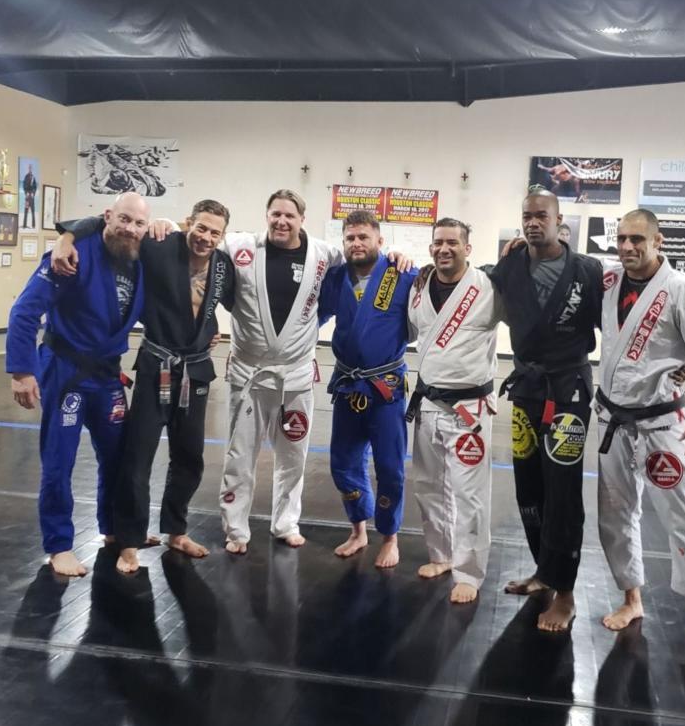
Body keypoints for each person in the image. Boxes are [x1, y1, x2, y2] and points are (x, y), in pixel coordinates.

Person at [52, 199, 237, 574]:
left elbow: (215, 306)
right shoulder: (160, 244)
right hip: (157, 367)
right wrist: (66, 238)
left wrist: (210, 329)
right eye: (201, 228)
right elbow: (113, 225)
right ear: (188, 222)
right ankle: (129, 541)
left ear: (223, 236)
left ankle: (176, 531)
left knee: (190, 457)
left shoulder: (223, 265)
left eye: (214, 232)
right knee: (137, 457)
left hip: (196, 370)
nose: (205, 237)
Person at [595, 209, 685, 658]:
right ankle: (632, 598)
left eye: (637, 239)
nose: (627, 247)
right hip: (613, 418)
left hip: (662, 422)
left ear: (658, 241)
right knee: (615, 514)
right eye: (622, 239)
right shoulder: (608, 282)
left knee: (683, 515)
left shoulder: (681, 290)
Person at [5, 192, 148, 577]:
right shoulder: (71, 255)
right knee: (59, 460)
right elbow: (24, 312)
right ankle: (59, 545)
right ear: (107, 216)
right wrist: (22, 371)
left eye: (139, 223)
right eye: (124, 219)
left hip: (107, 375)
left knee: (117, 457)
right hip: (65, 371)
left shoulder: (139, 258)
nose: (131, 229)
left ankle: (113, 528)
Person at [489, 187, 603, 632]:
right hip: (527, 388)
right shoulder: (510, 265)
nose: (533, 222)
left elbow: (617, 325)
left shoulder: (587, 271)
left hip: (568, 389)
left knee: (563, 491)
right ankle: (543, 572)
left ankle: (566, 592)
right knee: (528, 486)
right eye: (527, 216)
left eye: (541, 216)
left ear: (559, 222)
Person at [218, 190, 343, 555]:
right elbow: (198, 239)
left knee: (293, 456)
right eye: (275, 214)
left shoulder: (322, 253)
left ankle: (286, 523)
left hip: (296, 376)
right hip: (249, 373)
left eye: (289, 215)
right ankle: (235, 529)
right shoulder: (240, 247)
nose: (281, 221)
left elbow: (362, 253)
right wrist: (164, 224)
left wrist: (397, 255)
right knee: (239, 455)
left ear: (302, 219)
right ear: (267, 215)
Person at [406, 218, 503, 603]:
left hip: (469, 409)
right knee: (428, 486)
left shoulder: (488, 287)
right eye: (438, 243)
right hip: (429, 403)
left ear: (468, 248)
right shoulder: (419, 288)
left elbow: (528, 318)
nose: (444, 249)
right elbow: (411, 332)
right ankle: (442, 555)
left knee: (469, 494)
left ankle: (469, 571)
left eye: (452, 243)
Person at [320, 209, 417, 569]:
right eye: (350, 238)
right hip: (348, 384)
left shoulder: (401, 273)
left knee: (389, 466)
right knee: (343, 463)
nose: (356, 243)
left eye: (363, 237)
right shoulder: (335, 278)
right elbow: (308, 316)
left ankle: (390, 536)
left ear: (380, 240)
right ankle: (358, 529)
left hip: (385, 388)